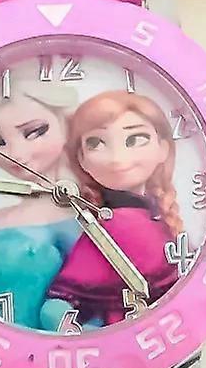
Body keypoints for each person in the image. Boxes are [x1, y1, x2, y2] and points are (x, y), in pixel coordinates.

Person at [40, 91, 182, 330]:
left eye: (135, 139)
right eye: (96, 143)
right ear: (81, 159)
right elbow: (59, 304)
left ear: (163, 149)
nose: (117, 158)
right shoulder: (113, 225)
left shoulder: (149, 217)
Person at [0, 80, 81, 330]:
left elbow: (92, 296)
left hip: (49, 341)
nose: (15, 154)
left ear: (66, 125)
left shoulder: (78, 215)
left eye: (35, 132)